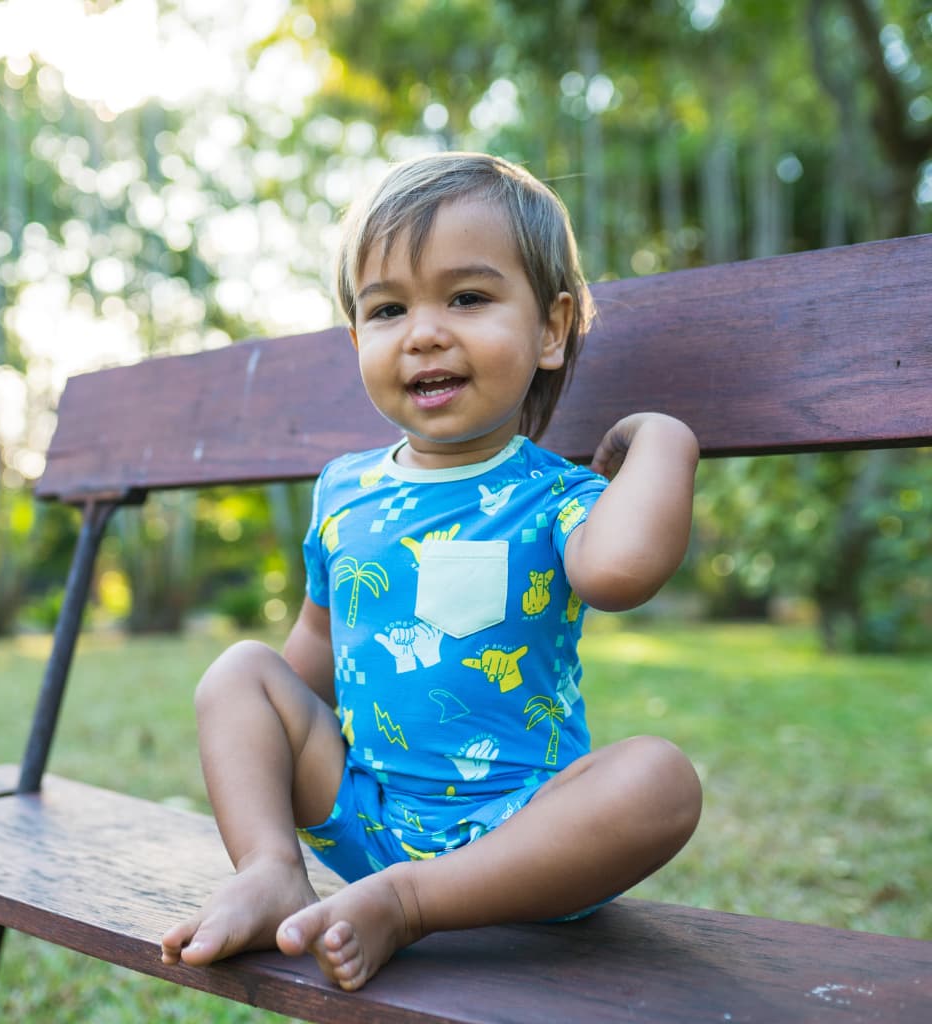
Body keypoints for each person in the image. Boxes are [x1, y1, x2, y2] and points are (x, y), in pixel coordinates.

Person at [161, 151, 702, 992]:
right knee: (241, 671)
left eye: (468, 298)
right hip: (364, 816)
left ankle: (410, 903)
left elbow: (624, 572)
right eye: (387, 309)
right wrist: (271, 735)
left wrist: (665, 437)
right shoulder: (344, 489)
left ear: (551, 329)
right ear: (358, 339)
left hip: (525, 839)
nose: (424, 332)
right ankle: (268, 870)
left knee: (660, 781)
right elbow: (313, 651)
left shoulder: (555, 496)